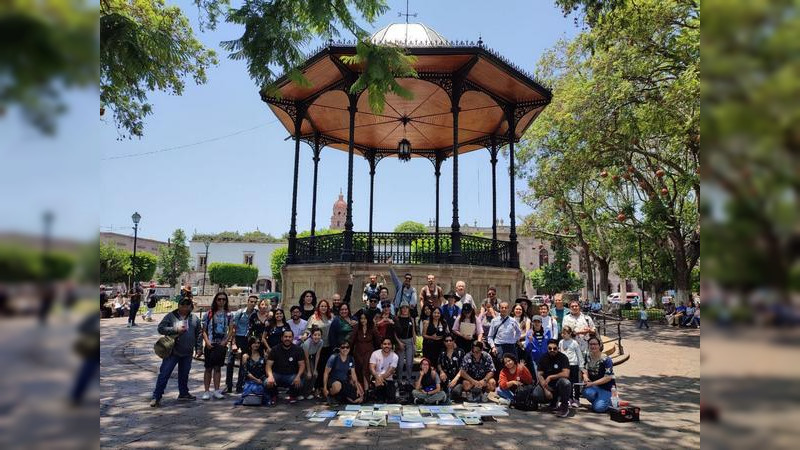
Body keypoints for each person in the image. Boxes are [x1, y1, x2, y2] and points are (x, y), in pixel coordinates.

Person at [150, 297, 202, 407]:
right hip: (172, 352)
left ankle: (183, 393)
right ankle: (157, 396)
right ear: (178, 306)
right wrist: (174, 329)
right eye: (182, 305)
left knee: (184, 374)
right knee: (164, 374)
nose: (184, 307)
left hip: (187, 352)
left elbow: (198, 334)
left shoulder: (194, 319)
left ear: (190, 307)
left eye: (187, 305)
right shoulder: (170, 316)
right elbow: (161, 328)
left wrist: (199, 348)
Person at [201, 292, 234, 400]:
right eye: (219, 299)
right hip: (210, 343)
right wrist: (206, 341)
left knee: (218, 368)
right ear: (216, 300)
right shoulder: (209, 314)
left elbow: (231, 330)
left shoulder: (229, 314)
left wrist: (225, 341)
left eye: (223, 299)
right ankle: (206, 391)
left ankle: (216, 390)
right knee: (208, 368)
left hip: (221, 344)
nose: (221, 301)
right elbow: (204, 330)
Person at [265, 329, 305, 405]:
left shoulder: (298, 350)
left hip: (291, 375)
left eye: (290, 337)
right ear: (282, 338)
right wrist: (270, 376)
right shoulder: (275, 349)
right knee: (267, 382)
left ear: (292, 338)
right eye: (285, 337)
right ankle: (274, 396)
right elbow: (268, 365)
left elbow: (302, 365)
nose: (287, 339)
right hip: (277, 374)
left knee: (300, 382)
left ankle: (292, 396)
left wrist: (298, 376)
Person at [534, 339, 572, 418]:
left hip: (559, 384)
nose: (552, 350)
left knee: (566, 383)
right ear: (547, 348)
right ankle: (553, 402)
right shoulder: (543, 358)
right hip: (547, 385)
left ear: (558, 348)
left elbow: (566, 374)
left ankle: (564, 407)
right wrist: (545, 389)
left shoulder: (563, 357)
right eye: (550, 348)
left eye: (555, 348)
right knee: (536, 394)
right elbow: (539, 374)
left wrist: (551, 377)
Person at [227, 295, 257, 394]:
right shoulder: (240, 313)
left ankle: (240, 385)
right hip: (237, 337)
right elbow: (233, 328)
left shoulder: (255, 314)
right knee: (230, 362)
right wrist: (233, 343)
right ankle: (229, 385)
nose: (253, 304)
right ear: (247, 302)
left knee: (243, 364)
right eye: (251, 301)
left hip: (246, 339)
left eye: (254, 302)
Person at [306, 299, 333, 396]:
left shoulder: (331, 317)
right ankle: (316, 388)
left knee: (326, 368)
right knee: (318, 367)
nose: (324, 308)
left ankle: (323, 387)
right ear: (318, 307)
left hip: (328, 346)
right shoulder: (314, 317)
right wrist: (305, 335)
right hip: (317, 346)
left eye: (325, 306)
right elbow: (308, 330)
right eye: (322, 306)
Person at [582, 336, 616, 412]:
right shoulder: (587, 356)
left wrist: (592, 383)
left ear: (600, 345)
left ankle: (610, 401)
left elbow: (608, 377)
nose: (593, 346)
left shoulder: (606, 360)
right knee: (586, 392)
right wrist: (585, 376)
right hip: (594, 386)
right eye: (590, 344)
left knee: (598, 408)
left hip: (607, 388)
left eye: (595, 344)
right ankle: (599, 402)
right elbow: (584, 369)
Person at [351, 312, 380, 394]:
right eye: (361, 318)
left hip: (369, 352)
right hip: (358, 353)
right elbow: (351, 340)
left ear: (368, 319)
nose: (363, 320)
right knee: (359, 371)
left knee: (365, 369)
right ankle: (361, 390)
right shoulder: (356, 327)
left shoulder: (372, 328)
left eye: (365, 318)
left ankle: (366, 391)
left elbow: (378, 340)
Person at [559, 326, 583, 407]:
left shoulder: (574, 342)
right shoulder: (561, 342)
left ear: (569, 334)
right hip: (565, 366)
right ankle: (569, 398)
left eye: (565, 334)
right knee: (567, 383)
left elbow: (579, 354)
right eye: (562, 333)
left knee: (575, 382)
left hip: (573, 364)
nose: (563, 335)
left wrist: (581, 365)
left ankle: (576, 399)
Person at [369, 338, 399, 402]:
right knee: (379, 400)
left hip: (388, 379)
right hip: (375, 378)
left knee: (391, 400)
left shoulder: (395, 356)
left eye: (389, 344)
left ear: (391, 346)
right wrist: (377, 377)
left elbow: (390, 372)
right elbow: (371, 368)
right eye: (385, 344)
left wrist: (380, 379)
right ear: (381, 345)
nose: (387, 346)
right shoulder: (375, 353)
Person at [393, 304, 416, 385]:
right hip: (400, 341)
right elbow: (394, 333)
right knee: (400, 363)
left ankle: (408, 381)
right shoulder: (397, 319)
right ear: (401, 309)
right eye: (403, 308)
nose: (405, 309)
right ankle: (399, 380)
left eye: (407, 308)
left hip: (409, 342)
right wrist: (398, 343)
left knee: (409, 363)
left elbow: (413, 332)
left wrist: (415, 344)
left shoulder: (411, 319)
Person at [239, 337, 267, 405]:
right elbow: (245, 372)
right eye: (254, 343)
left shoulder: (263, 355)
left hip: (262, 379)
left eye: (258, 343)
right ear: (250, 344)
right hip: (250, 379)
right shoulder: (245, 356)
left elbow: (265, 369)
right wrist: (256, 380)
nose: (256, 345)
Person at [302, 327, 324, 400]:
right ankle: (302, 393)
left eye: (319, 335)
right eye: (315, 335)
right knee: (307, 375)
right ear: (311, 335)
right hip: (302, 358)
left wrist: (315, 369)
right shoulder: (306, 343)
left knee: (315, 374)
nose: (317, 337)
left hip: (311, 357)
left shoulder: (321, 342)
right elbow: (306, 358)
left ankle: (308, 393)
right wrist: (308, 371)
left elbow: (317, 355)